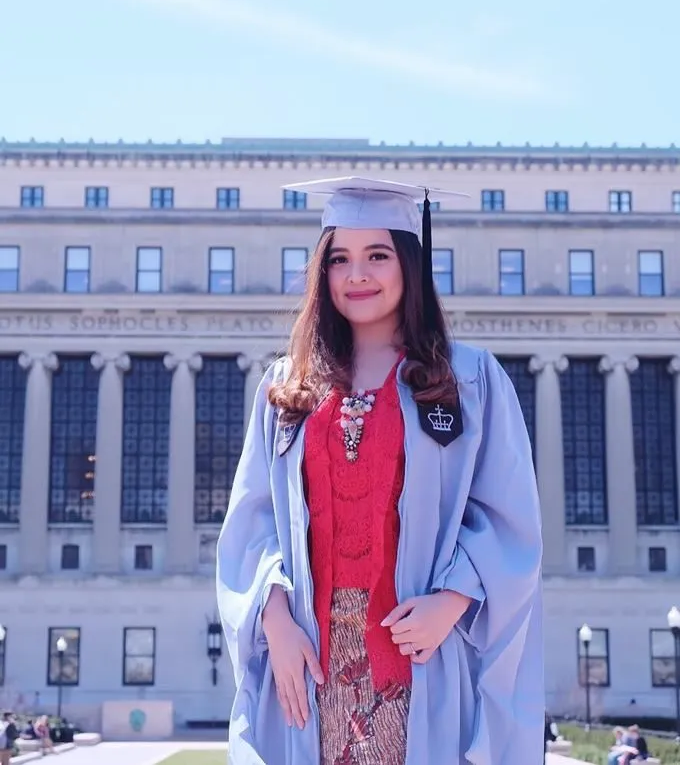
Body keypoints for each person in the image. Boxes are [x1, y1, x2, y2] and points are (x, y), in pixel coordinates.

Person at [217, 176, 544, 764]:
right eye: (339, 259)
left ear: (409, 264)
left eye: (377, 255)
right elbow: (253, 519)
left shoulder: (466, 381)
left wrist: (453, 600)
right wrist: (274, 622)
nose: (356, 275)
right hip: (309, 657)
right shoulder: (289, 387)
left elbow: (508, 517)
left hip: (419, 650)